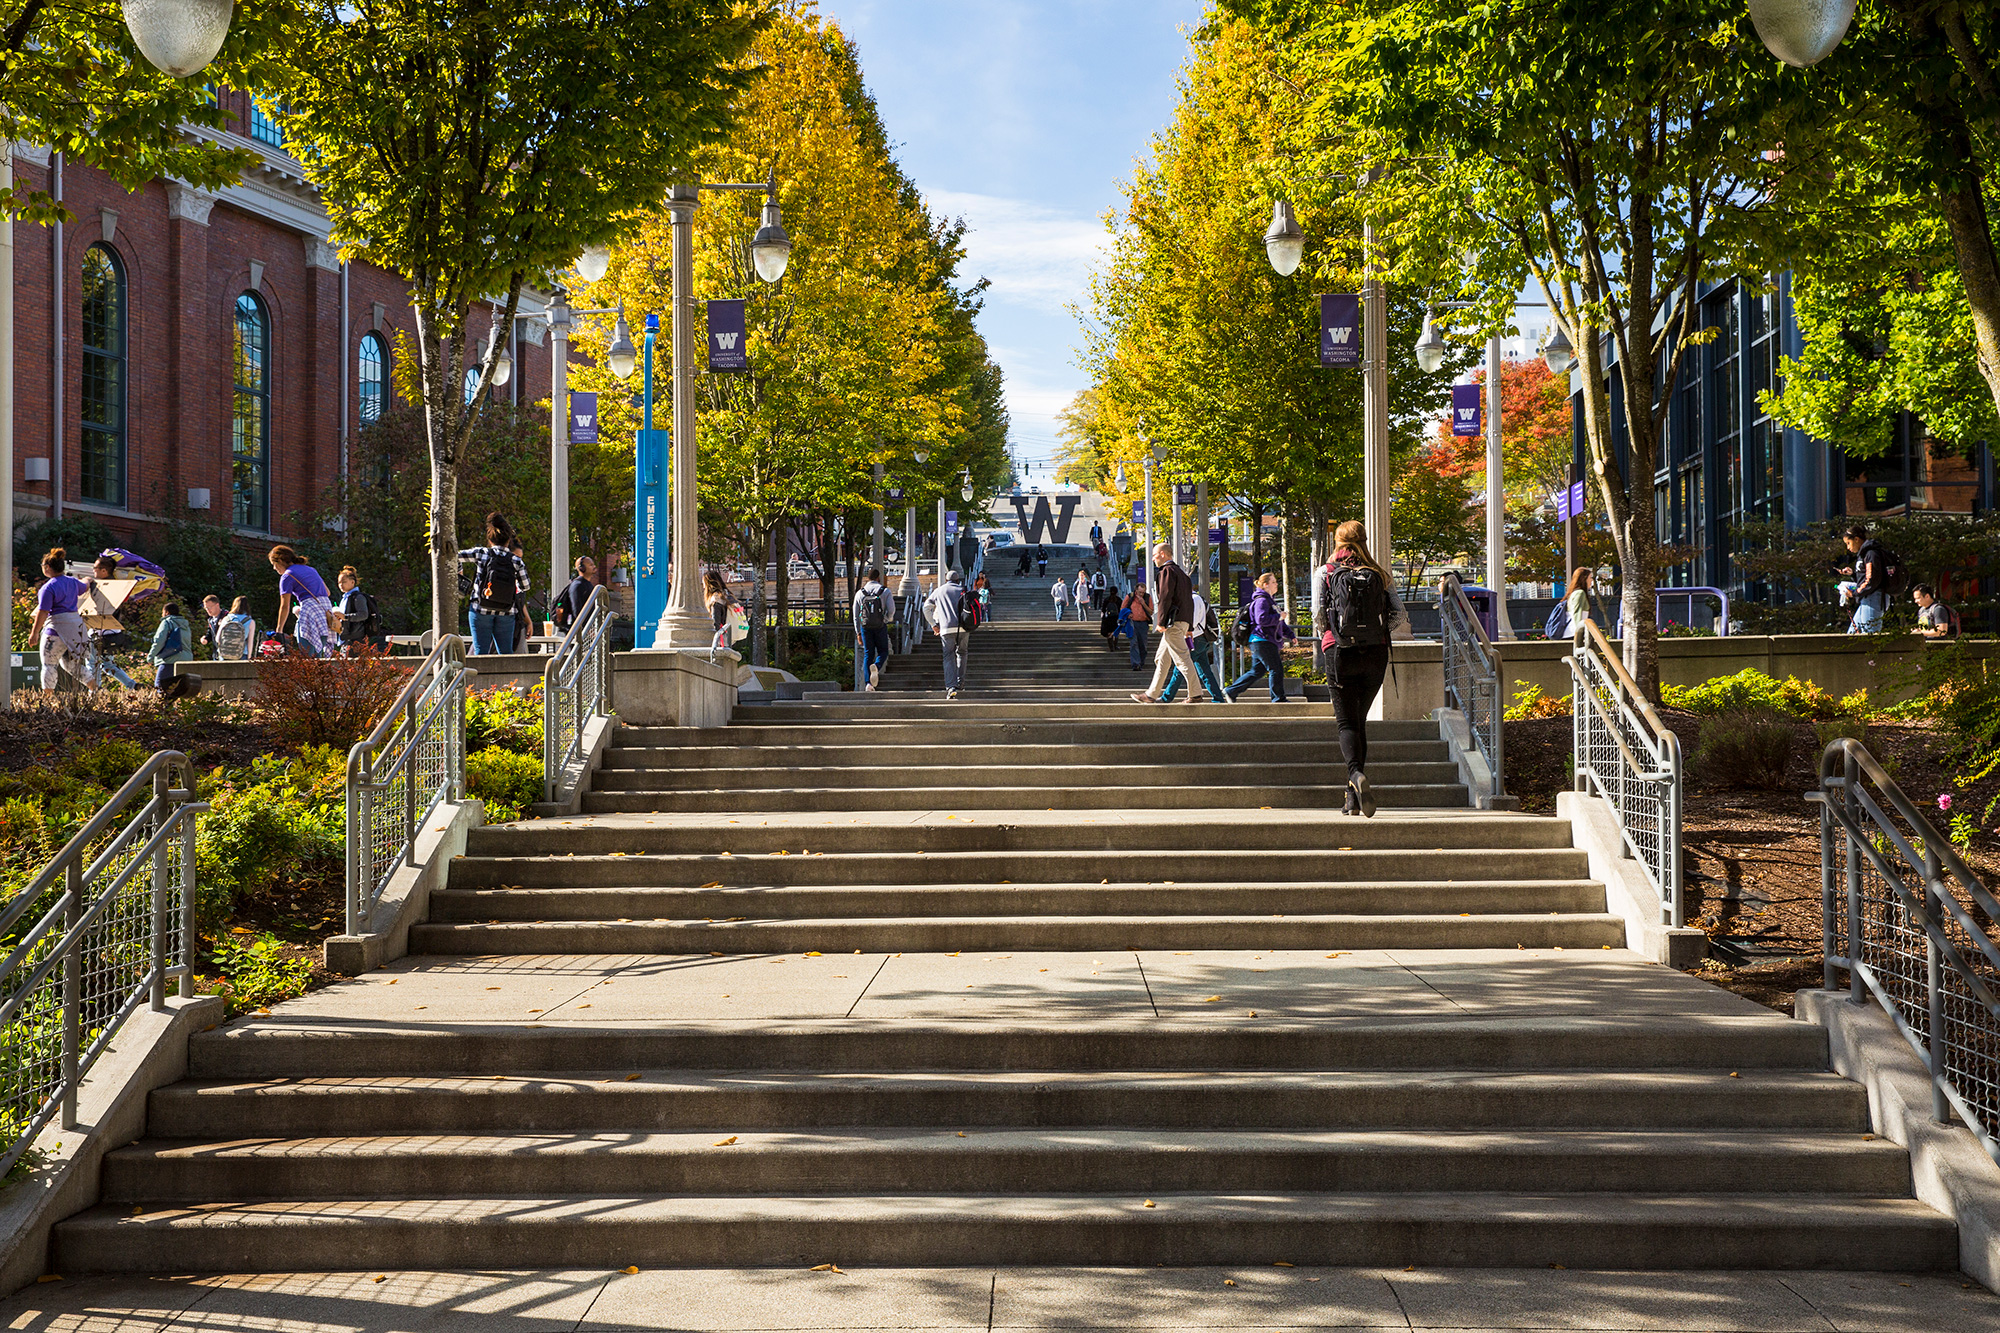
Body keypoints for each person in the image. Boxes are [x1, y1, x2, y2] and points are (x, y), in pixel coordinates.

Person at [1316, 520, 1405, 818]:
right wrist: (1378, 632)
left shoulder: (1326, 572)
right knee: (1359, 722)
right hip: (1375, 654)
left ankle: (1355, 775)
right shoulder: (1379, 573)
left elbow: (1319, 615)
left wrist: (1330, 638)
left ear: (1338, 543)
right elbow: (1398, 614)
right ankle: (1351, 799)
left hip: (1340, 653)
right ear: (1364, 541)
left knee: (1346, 724)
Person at [1131, 544, 1198, 705]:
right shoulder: (1183, 574)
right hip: (1181, 621)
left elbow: (1164, 599)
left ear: (1162, 554)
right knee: (1162, 658)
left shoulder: (1166, 572)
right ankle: (1151, 694)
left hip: (1171, 623)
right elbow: (1189, 601)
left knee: (1182, 658)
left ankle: (1196, 694)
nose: (1153, 558)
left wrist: (1160, 622)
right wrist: (1189, 626)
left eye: (1154, 555)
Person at [456, 513, 531, 654]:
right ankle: (507, 677)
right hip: (507, 611)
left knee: (480, 651)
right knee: (505, 653)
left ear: (490, 540)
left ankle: (481, 676)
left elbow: (455, 556)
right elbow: (525, 586)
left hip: (480, 609)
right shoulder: (516, 561)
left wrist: (460, 574)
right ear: (508, 540)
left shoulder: (481, 553)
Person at [1225, 571, 1295, 703]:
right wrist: (1279, 617)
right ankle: (1278, 698)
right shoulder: (1262, 601)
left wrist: (1291, 635)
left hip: (1261, 640)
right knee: (1276, 668)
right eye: (1273, 582)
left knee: (1257, 671)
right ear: (1265, 585)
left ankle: (1232, 691)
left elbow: (1279, 624)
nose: (1276, 584)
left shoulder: (1270, 601)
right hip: (1262, 640)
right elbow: (1261, 619)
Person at [29, 548, 91, 689]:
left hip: (56, 629)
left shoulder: (48, 588)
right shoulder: (73, 582)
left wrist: (35, 632)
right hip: (76, 628)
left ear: (48, 567)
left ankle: (48, 698)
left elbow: (43, 612)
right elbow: (85, 586)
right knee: (72, 665)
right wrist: (88, 579)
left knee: (49, 664)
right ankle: (94, 688)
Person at [268, 545, 337, 657]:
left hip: (310, 612)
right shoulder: (311, 569)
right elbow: (328, 592)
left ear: (280, 561)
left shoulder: (287, 576)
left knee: (307, 656)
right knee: (318, 657)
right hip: (326, 613)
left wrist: (279, 630)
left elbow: (285, 606)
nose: (274, 568)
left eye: (274, 565)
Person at [1159, 589, 1227, 703]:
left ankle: (1167, 698)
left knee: (1180, 667)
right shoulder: (1198, 598)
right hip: (1200, 639)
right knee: (1205, 672)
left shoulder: (1193, 599)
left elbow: (1192, 622)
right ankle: (1218, 698)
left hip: (1194, 638)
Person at [926, 569, 972, 699]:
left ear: (946, 580)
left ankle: (951, 686)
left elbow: (926, 607)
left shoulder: (939, 591)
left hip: (946, 629)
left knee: (948, 656)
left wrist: (933, 625)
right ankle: (960, 683)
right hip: (963, 627)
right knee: (962, 653)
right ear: (958, 580)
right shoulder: (963, 590)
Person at [1840, 524, 1892, 634]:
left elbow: (1871, 579)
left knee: (1869, 635)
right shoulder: (1864, 554)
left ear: (1857, 539)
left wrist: (1855, 593)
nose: (1848, 547)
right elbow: (1867, 576)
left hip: (1873, 598)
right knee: (1852, 634)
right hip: (1867, 598)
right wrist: (1853, 575)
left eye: (1848, 543)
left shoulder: (1870, 553)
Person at [853, 565, 893, 691]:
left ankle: (868, 684)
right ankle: (876, 665)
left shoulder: (860, 593)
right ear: (878, 578)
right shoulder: (884, 591)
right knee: (883, 651)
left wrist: (858, 632)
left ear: (867, 578)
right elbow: (891, 610)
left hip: (865, 628)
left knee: (868, 654)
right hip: (880, 626)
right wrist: (886, 619)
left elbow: (855, 615)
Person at [334, 566, 382, 654]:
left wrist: (345, 617)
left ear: (352, 582)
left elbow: (363, 615)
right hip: (346, 638)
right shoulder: (345, 598)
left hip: (356, 639)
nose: (341, 585)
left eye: (344, 582)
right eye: (339, 583)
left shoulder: (358, 597)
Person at [148, 600, 195, 690]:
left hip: (169, 660)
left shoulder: (167, 622)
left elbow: (159, 641)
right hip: (186, 660)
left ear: (167, 612)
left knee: (160, 687)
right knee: (179, 690)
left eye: (163, 612)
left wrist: (151, 657)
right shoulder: (186, 625)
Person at [553, 556, 598, 631]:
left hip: (588, 629)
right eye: (591, 565)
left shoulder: (588, 584)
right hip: (579, 631)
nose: (594, 566)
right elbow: (576, 610)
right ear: (582, 568)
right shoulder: (577, 585)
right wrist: (585, 629)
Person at [1123, 580, 1153, 671]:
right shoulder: (1130, 597)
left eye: (1143, 592)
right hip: (1133, 622)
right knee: (1134, 643)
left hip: (1143, 623)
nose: (1141, 594)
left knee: (1143, 644)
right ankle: (1135, 663)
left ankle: (1141, 662)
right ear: (1136, 591)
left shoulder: (1147, 598)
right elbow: (1123, 608)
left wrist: (1143, 602)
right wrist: (1128, 614)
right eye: (1140, 592)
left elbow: (1151, 611)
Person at [216, 596, 258, 661]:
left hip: (225, 654)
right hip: (241, 654)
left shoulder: (226, 619)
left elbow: (217, 639)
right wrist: (249, 657)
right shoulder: (250, 622)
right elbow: (250, 642)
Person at [704, 568, 733, 653]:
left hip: (721, 640)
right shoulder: (727, 594)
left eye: (704, 583)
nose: (703, 586)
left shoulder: (716, 599)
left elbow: (715, 622)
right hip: (729, 635)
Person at [199, 594, 227, 659]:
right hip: (216, 654)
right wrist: (205, 639)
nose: (208, 610)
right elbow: (210, 634)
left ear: (217, 605)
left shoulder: (227, 616)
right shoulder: (210, 620)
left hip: (227, 652)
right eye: (206, 608)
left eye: (209, 607)